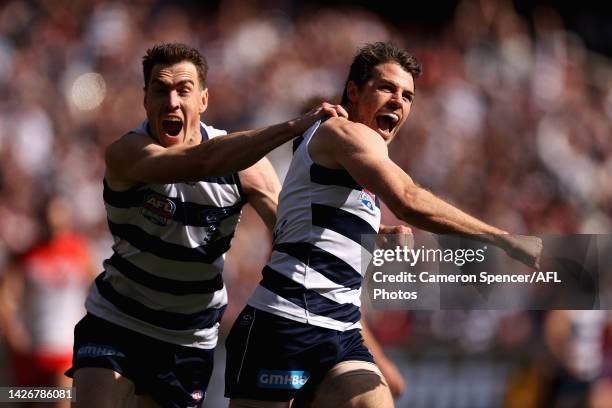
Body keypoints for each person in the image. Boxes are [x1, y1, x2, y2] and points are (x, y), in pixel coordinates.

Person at [224, 42, 542, 408]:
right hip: (284, 323)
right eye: (387, 88)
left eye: (407, 95)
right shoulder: (342, 132)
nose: (398, 101)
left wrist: (376, 234)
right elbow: (407, 199)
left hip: (340, 328)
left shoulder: (358, 161)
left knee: (375, 401)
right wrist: (501, 238)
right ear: (354, 91)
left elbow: (313, 219)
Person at [66, 42, 346, 408]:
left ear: (203, 100)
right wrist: (293, 127)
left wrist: (349, 230)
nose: (172, 101)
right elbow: (198, 163)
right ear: (145, 99)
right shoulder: (127, 154)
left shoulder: (246, 167)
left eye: (183, 89)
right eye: (160, 89)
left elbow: (292, 230)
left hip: (188, 337)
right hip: (118, 320)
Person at [0, 196, 95, 408]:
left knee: (60, 402)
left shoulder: (80, 252)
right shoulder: (25, 256)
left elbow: (97, 291)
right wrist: (12, 332)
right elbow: (6, 296)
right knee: (23, 401)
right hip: (29, 350)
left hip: (65, 349)